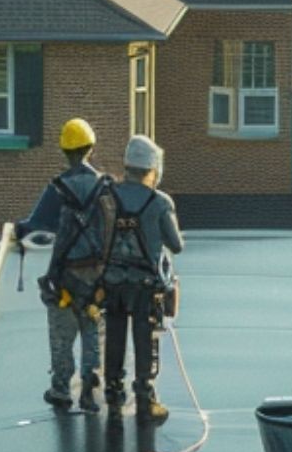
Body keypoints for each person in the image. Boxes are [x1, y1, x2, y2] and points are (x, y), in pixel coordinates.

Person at [22, 118, 108, 412]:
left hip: (65, 277)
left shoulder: (57, 189)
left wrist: (17, 229)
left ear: (64, 151)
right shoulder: (105, 187)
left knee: (62, 333)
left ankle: (60, 388)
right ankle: (90, 387)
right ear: (91, 148)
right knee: (94, 331)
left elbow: (34, 227)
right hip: (98, 276)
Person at [99, 134, 184, 422]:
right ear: (152, 168)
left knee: (114, 335)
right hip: (145, 283)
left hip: (112, 281)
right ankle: (145, 397)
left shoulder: (107, 197)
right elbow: (176, 245)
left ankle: (113, 391)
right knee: (144, 338)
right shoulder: (159, 202)